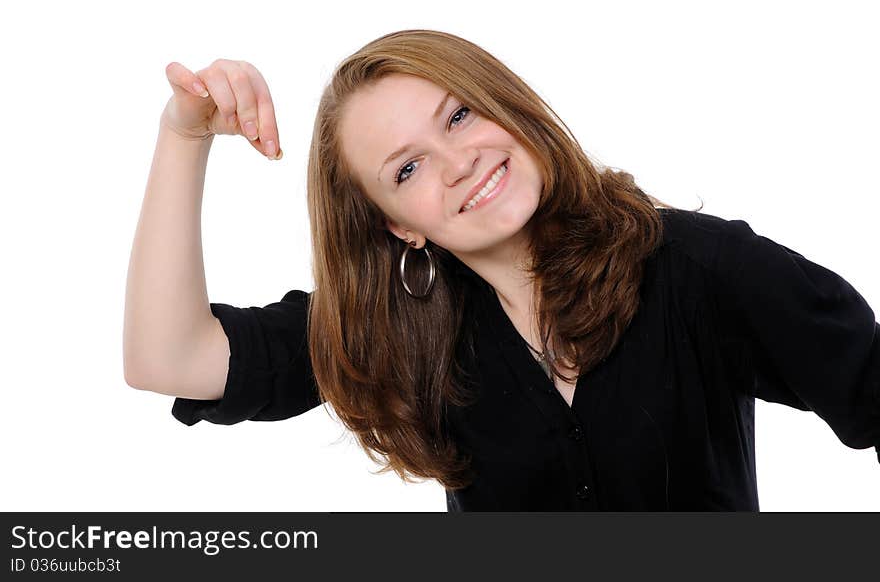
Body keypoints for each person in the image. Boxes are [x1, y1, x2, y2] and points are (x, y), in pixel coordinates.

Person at [124, 29, 880, 511]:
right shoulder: (396, 325)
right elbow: (171, 359)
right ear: (398, 224)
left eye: (459, 117)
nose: (459, 164)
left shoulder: (698, 267)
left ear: (505, 107)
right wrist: (183, 136)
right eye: (409, 167)